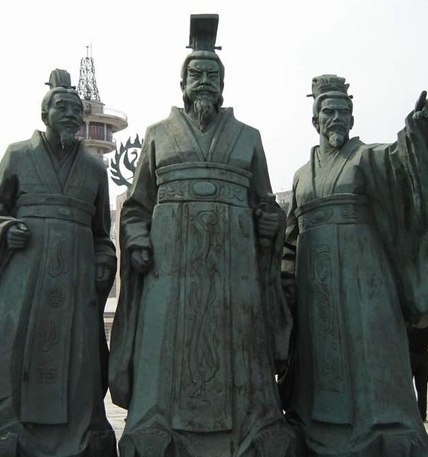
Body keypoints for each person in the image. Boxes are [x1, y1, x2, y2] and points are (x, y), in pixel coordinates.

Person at [109, 14, 298, 457]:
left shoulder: (248, 138)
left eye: (213, 75)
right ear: (183, 84)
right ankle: (155, 428)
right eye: (196, 75)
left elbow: (265, 202)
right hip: (169, 273)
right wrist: (138, 240)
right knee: (166, 350)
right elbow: (137, 205)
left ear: (223, 85)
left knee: (240, 347)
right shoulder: (158, 135)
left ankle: (251, 428)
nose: (205, 82)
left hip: (235, 276)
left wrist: (270, 222)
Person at [281, 75, 428, 456]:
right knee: (317, 361)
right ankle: (313, 428)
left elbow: (405, 163)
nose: (336, 118)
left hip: (364, 281)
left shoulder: (369, 158)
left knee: (371, 354)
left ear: (353, 119)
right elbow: (290, 237)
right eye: (328, 111)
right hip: (315, 288)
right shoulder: (302, 176)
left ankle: (382, 426)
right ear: (315, 120)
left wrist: (421, 128)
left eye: (344, 111)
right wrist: (286, 281)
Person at [0, 68, 117, 457]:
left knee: (78, 356)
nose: (71, 115)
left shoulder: (95, 169)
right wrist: (4, 228)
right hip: (24, 276)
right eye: (62, 107)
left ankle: (84, 435)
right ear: (45, 114)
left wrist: (103, 260)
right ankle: (4, 432)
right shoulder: (18, 155)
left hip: (74, 281)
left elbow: (102, 233)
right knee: (12, 347)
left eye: (77, 110)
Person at [407, 324, 428, 421]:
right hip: (423, 358)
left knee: (407, 388)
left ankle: (408, 413)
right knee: (422, 389)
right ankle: (422, 415)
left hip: (409, 357)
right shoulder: (427, 326)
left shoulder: (407, 326)